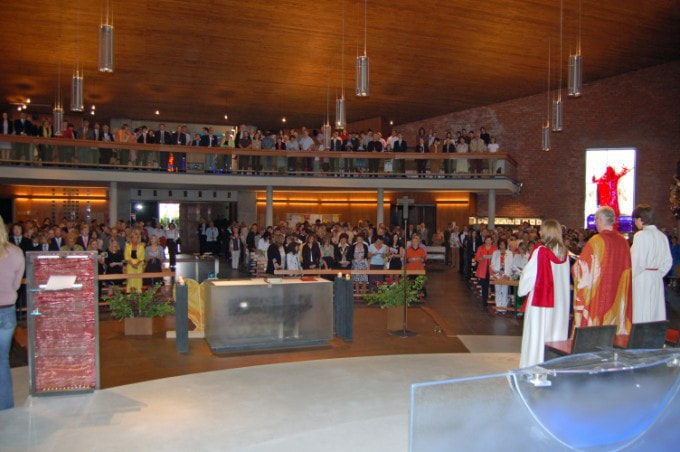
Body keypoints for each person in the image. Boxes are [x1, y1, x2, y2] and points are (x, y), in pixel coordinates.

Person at [572, 206, 633, 335]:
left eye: (596, 220)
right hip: (618, 292)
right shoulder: (624, 242)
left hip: (601, 292)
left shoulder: (597, 241)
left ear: (599, 220)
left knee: (598, 323)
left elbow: (581, 268)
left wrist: (575, 266)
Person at [518, 219, 570, 368]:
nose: (539, 232)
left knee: (537, 335)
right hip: (559, 303)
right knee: (555, 334)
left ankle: (533, 366)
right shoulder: (565, 254)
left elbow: (529, 275)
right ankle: (554, 367)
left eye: (541, 229)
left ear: (546, 232)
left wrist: (522, 289)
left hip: (541, 302)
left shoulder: (540, 251)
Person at [630, 204, 673, 322]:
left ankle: (641, 332)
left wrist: (629, 276)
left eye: (635, 219)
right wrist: (657, 274)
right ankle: (654, 332)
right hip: (656, 277)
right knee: (655, 310)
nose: (635, 223)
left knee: (642, 309)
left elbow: (636, 261)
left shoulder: (640, 236)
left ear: (641, 219)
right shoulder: (662, 236)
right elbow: (668, 261)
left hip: (642, 278)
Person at [0, 215, 25, 410]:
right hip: (7, 312)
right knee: (2, 361)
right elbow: (16, 285)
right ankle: (5, 408)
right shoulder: (16, 253)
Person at [491, 239, 513, 314]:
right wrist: (496, 270)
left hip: (506, 274)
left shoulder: (509, 253)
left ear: (505, 245)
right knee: (497, 290)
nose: (502, 246)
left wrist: (508, 274)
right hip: (497, 274)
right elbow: (492, 264)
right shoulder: (495, 253)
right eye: (500, 244)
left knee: (504, 291)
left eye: (503, 244)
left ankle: (504, 308)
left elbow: (511, 265)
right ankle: (498, 307)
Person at [475, 235, 497, 310]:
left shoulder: (495, 248)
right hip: (483, 269)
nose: (488, 242)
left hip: (492, 270)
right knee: (484, 286)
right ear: (485, 241)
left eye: (490, 240)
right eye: (487, 240)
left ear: (492, 241)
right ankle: (484, 300)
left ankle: (493, 299)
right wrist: (482, 258)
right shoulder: (480, 248)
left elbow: (497, 258)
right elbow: (477, 258)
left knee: (493, 285)